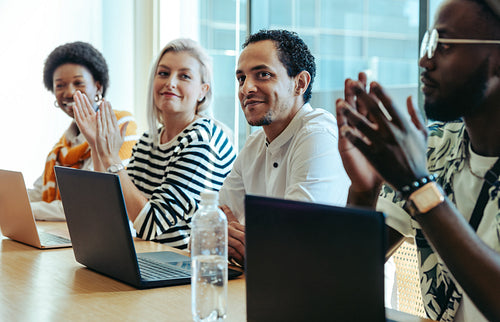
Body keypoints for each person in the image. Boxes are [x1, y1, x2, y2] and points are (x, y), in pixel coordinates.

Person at [335, 0, 500, 321]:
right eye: (428, 43)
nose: (424, 60)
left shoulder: (419, 162)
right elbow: (344, 272)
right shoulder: (434, 146)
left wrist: (419, 187)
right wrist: (363, 191)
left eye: (444, 45)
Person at [74, 38, 236, 249]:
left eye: (184, 76)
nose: (170, 83)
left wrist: (111, 157)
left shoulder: (202, 141)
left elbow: (151, 224)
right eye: (163, 73)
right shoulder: (149, 140)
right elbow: (110, 208)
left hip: (182, 266)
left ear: (202, 91)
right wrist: (96, 145)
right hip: (150, 255)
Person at [218, 29, 350, 266]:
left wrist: (249, 241)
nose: (246, 88)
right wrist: (228, 237)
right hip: (271, 283)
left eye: (263, 75)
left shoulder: (318, 135)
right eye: (241, 78)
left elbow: (296, 244)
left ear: (300, 83)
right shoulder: (254, 143)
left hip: (333, 291)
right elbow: (215, 225)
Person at [28, 41, 138, 221]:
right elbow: (39, 193)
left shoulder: (118, 126)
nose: (69, 92)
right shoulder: (63, 144)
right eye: (60, 85)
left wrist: (29, 210)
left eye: (78, 82)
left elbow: (87, 202)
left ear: (98, 87)